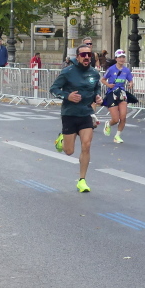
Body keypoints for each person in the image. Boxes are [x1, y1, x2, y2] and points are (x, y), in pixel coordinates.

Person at [49, 44, 103, 193]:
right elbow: (53, 89)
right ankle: (61, 139)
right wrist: (68, 96)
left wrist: (98, 97)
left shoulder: (94, 73)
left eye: (89, 55)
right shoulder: (68, 72)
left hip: (86, 113)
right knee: (69, 151)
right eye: (83, 55)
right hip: (70, 114)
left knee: (86, 145)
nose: (86, 57)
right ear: (77, 57)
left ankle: (82, 180)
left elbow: (96, 88)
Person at [101, 49, 135, 144]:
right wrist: (108, 85)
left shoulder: (126, 70)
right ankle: (108, 123)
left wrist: (131, 84)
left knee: (123, 117)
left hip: (122, 93)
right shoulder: (111, 69)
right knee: (115, 119)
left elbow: (130, 80)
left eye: (123, 57)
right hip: (111, 94)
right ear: (116, 58)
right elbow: (103, 79)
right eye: (120, 57)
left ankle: (117, 136)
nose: (122, 59)